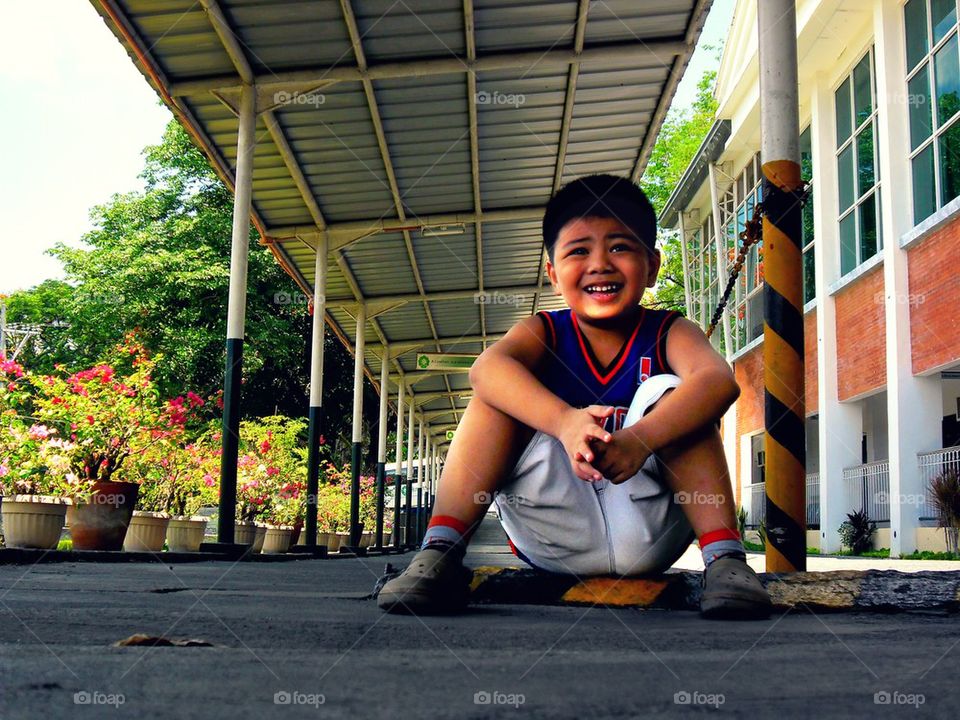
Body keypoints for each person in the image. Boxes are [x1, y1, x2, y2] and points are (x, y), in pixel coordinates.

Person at [377, 175, 771, 619]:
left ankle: (725, 560)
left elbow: (718, 382)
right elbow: (484, 370)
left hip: (649, 529)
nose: (600, 264)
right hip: (553, 532)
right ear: (552, 273)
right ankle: (440, 552)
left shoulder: (670, 331)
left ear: (652, 266)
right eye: (579, 251)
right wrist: (565, 422)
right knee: (498, 391)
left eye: (619, 247)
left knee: (677, 394)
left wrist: (639, 440)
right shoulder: (543, 332)